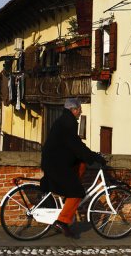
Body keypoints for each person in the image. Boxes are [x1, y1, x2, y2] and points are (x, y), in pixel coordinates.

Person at [40, 98, 105, 238]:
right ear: (73, 110)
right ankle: (62, 222)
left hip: (55, 161)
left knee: (81, 164)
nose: (80, 112)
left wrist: (89, 156)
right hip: (56, 164)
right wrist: (94, 157)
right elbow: (76, 145)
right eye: (79, 109)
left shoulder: (64, 120)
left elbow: (74, 145)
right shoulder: (68, 123)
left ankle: (67, 196)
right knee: (77, 192)